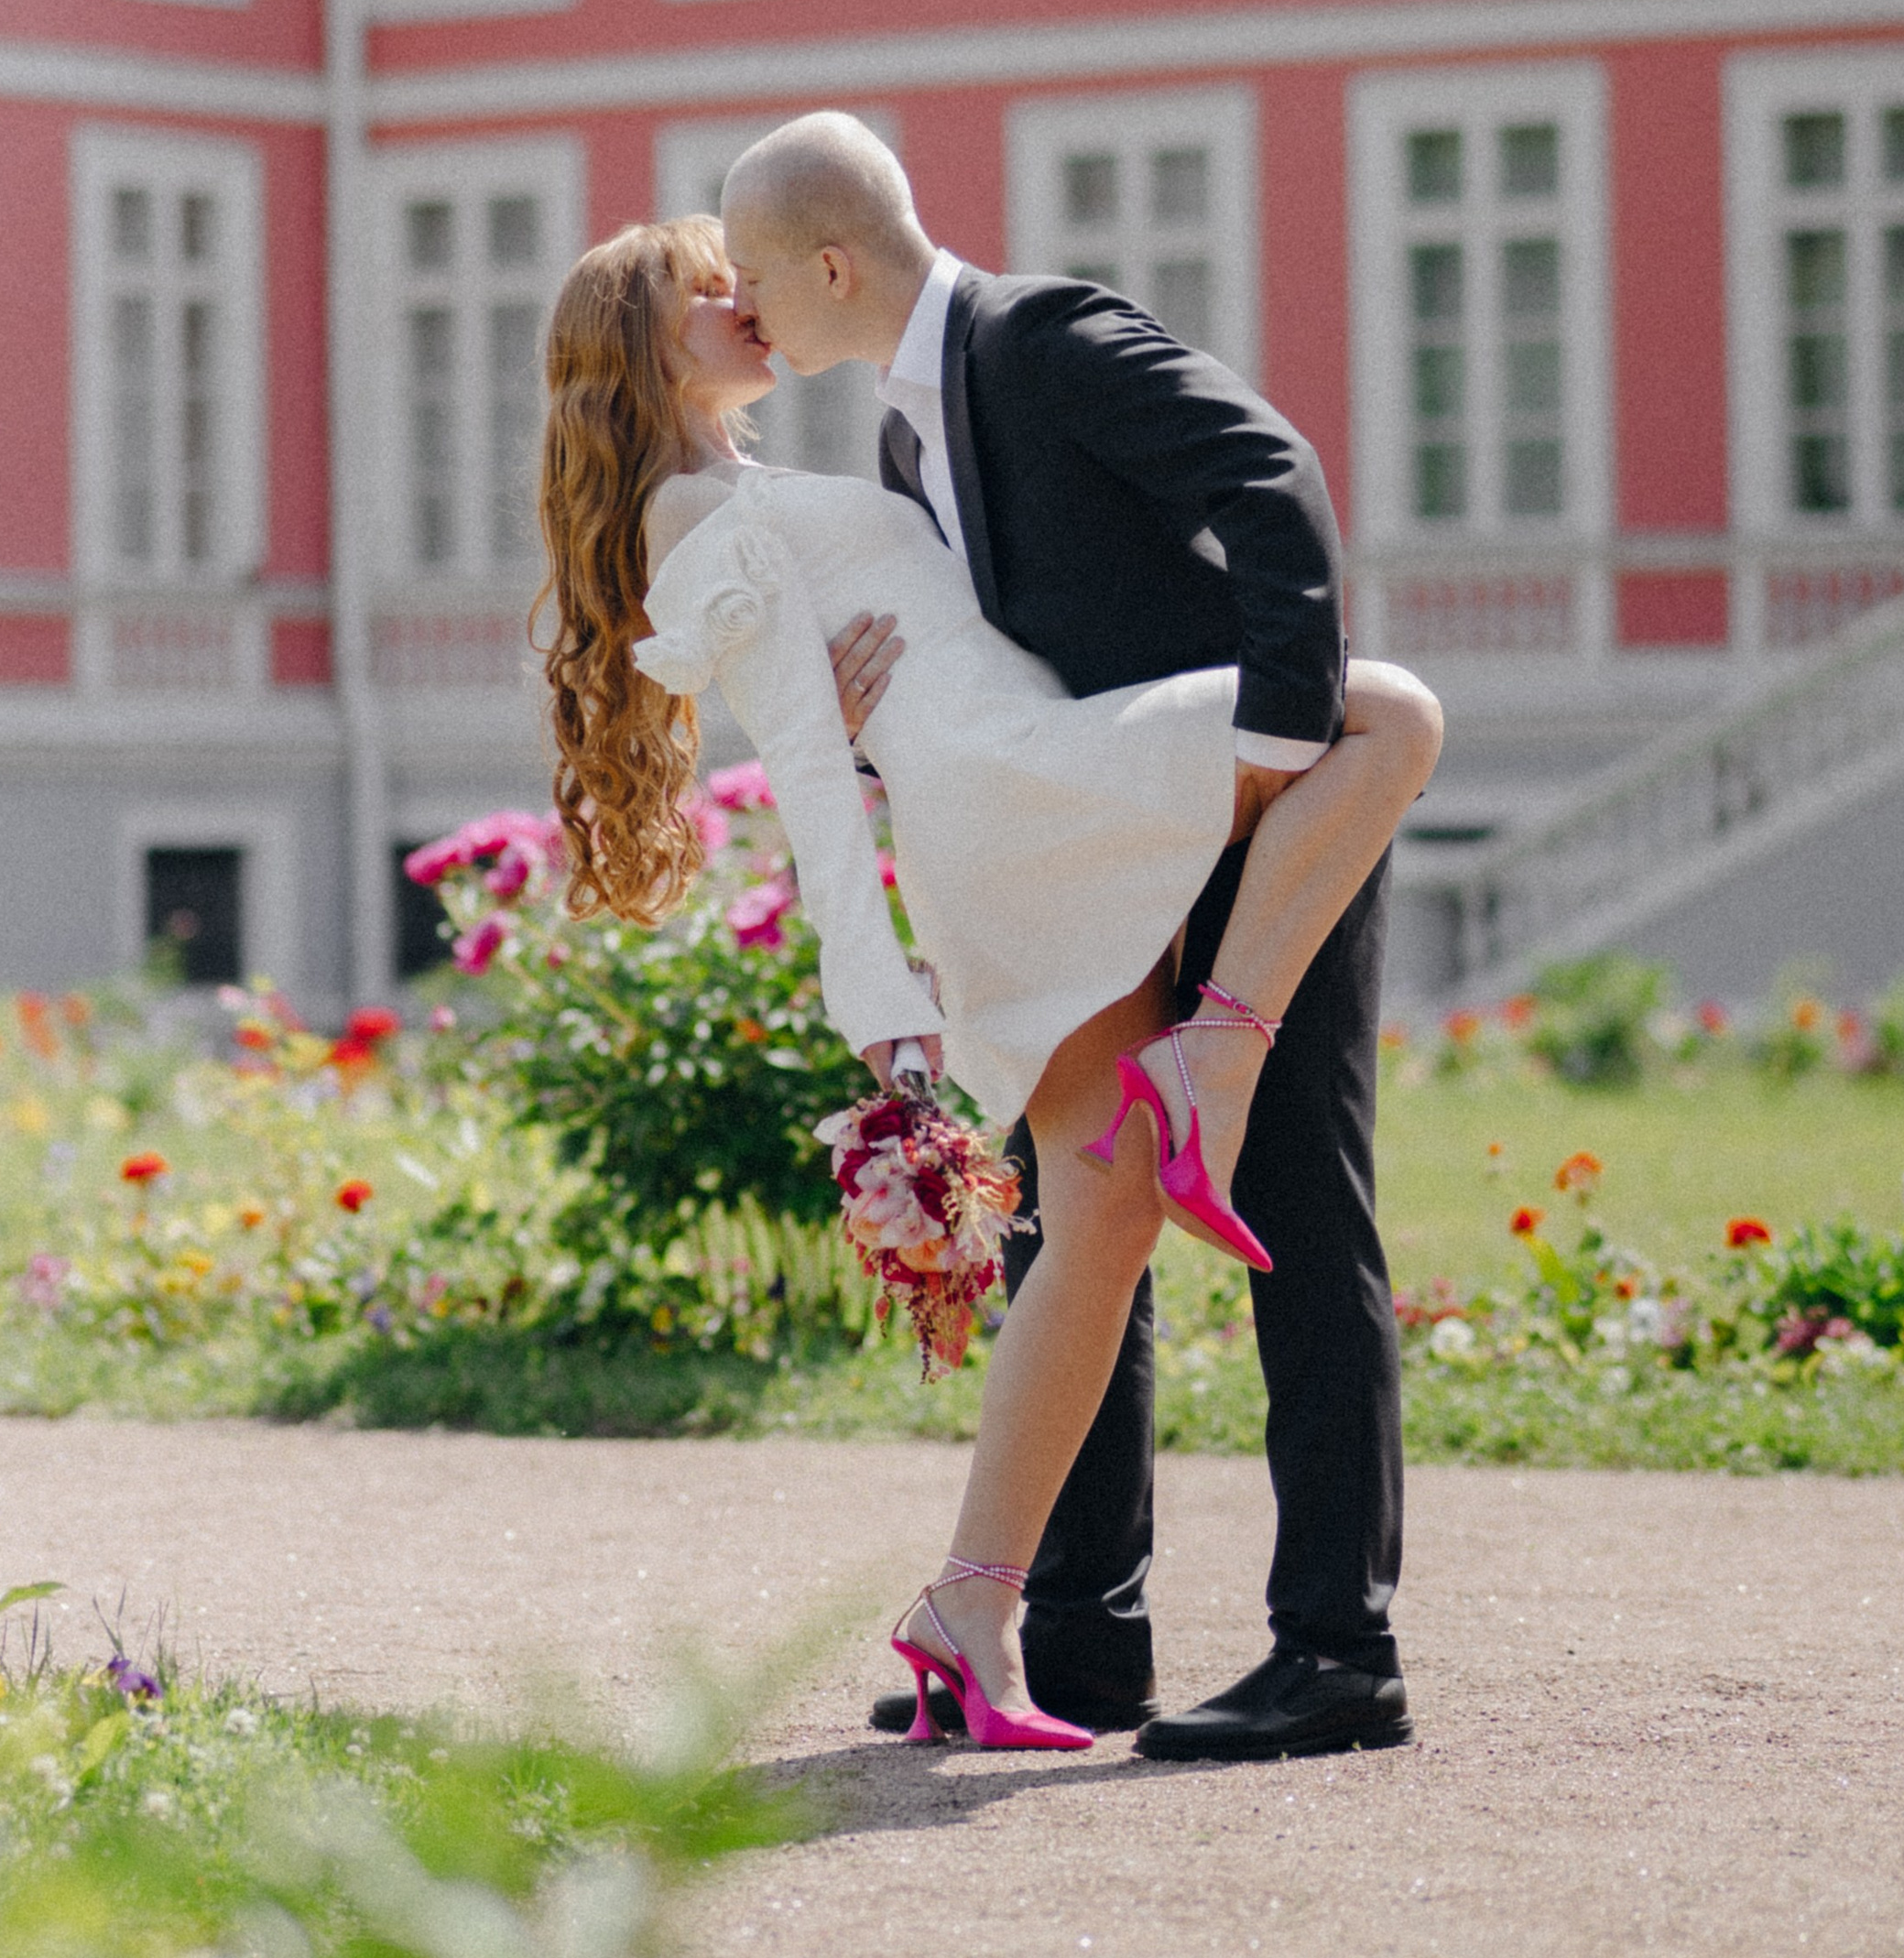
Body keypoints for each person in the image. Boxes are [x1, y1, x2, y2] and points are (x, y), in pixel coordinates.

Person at [536, 199, 1441, 1753]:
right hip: (1021, 797)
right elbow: (810, 779)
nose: (742, 301)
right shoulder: (695, 517)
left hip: (1025, 789)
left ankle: (978, 1610)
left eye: (746, 275)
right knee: (1392, 715)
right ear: (640, 343)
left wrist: (855, 729)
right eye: (706, 290)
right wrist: (883, 1010)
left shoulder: (774, 477)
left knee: (1098, 1226)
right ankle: (1218, 1047)